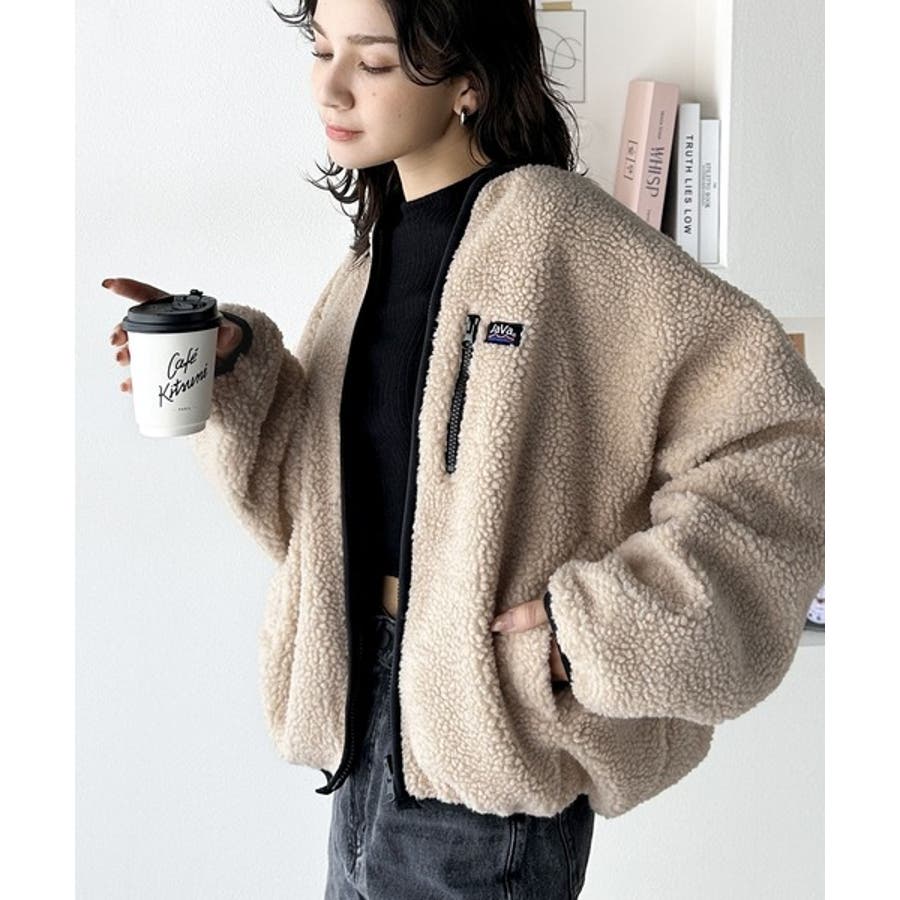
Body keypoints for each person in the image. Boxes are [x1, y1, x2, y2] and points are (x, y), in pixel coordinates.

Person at [104, 0, 826, 897]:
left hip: (484, 777)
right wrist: (234, 369)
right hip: (365, 747)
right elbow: (317, 513)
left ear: (467, 82)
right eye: (322, 50)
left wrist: (593, 631)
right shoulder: (370, 261)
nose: (330, 86)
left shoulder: (556, 232)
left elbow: (782, 437)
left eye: (372, 62)